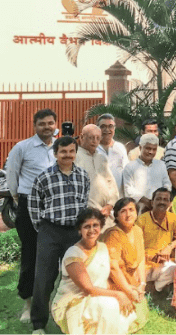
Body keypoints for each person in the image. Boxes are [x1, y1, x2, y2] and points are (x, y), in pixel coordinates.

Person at [28, 136, 91, 333]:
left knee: (75, 276)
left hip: (73, 232)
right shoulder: (44, 177)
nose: (67, 155)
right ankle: (39, 323)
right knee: (44, 277)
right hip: (50, 231)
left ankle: (74, 317)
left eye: (71, 151)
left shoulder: (83, 176)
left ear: (75, 153)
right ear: (55, 154)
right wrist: (43, 227)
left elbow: (84, 203)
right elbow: (33, 204)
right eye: (63, 152)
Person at [6, 109, 57, 322]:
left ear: (56, 124)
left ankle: (49, 303)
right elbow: (11, 176)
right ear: (34, 125)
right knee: (30, 256)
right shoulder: (22, 147)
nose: (47, 127)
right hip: (28, 206)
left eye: (50, 123)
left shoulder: (61, 146)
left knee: (52, 257)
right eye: (42, 123)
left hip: (54, 206)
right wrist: (20, 200)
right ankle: (28, 304)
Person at [51, 208, 136, 335]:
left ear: (101, 227)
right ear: (80, 230)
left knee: (125, 314)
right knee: (110, 305)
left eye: (95, 225)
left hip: (96, 297)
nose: (92, 230)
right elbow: (88, 289)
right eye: (87, 226)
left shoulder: (102, 247)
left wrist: (126, 292)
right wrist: (119, 295)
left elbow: (103, 279)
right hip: (74, 301)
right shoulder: (73, 254)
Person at [101, 198, 148, 333]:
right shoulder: (113, 235)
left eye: (131, 210)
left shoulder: (137, 230)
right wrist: (128, 290)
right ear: (116, 216)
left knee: (140, 313)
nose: (128, 215)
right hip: (112, 282)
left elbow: (140, 259)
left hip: (130, 280)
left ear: (137, 213)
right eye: (123, 211)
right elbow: (113, 268)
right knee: (122, 320)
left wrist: (142, 283)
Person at [136, 187, 176, 293]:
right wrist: (151, 256)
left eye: (165, 200)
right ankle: (156, 289)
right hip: (144, 266)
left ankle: (155, 290)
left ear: (169, 203)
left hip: (164, 265)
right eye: (159, 199)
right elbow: (135, 248)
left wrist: (169, 247)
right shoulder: (141, 220)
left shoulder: (173, 218)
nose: (162, 202)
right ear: (152, 202)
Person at [75, 124, 119, 227]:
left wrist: (110, 205)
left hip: (106, 213)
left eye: (98, 138)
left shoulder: (101, 158)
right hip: (87, 214)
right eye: (91, 137)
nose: (94, 141)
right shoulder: (75, 157)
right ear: (81, 137)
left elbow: (111, 184)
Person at [123, 133, 171, 213]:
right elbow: (128, 189)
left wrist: (161, 198)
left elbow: (167, 183)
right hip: (138, 209)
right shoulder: (130, 166)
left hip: (159, 208)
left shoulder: (161, 165)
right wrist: (145, 201)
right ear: (140, 147)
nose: (151, 152)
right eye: (148, 148)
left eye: (154, 149)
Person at [96, 114, 130, 189]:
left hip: (118, 195)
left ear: (114, 129)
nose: (107, 130)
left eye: (110, 126)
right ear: (97, 129)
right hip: (99, 195)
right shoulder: (93, 148)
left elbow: (126, 172)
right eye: (103, 126)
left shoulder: (120, 147)